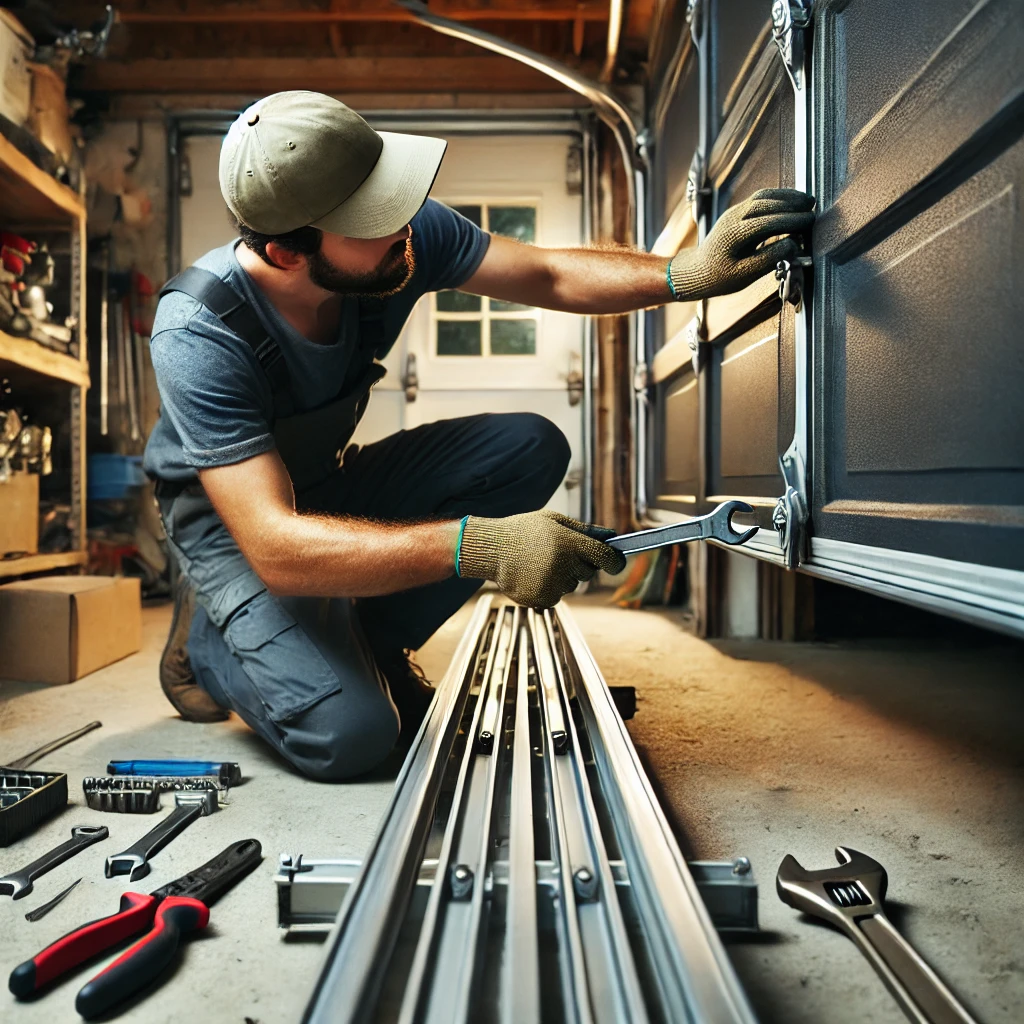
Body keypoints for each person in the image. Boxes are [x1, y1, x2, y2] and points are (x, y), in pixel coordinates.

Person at [144, 90, 814, 781]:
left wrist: (685, 275)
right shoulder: (199, 333)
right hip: (243, 534)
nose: (404, 224)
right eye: (373, 219)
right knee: (354, 736)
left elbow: (548, 272)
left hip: (324, 488)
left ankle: (363, 636)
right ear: (288, 252)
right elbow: (278, 548)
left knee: (529, 448)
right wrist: (481, 546)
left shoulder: (395, 242)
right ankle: (211, 644)